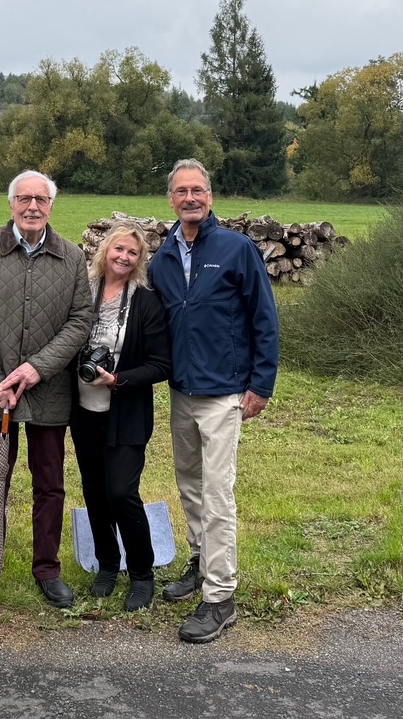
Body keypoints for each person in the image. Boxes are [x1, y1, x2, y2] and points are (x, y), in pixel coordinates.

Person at [147, 158, 279, 644]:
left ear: (211, 195)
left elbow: (264, 319)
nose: (190, 198)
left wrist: (260, 384)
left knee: (219, 493)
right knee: (190, 484)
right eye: (181, 191)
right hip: (181, 391)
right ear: (171, 200)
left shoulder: (236, 249)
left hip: (225, 392)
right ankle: (201, 562)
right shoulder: (162, 257)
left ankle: (220, 596)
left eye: (197, 190)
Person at [0, 170, 94, 612]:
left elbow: (79, 321)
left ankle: (47, 569)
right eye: (24, 198)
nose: (32, 206)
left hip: (49, 392)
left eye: (41, 199)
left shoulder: (72, 258)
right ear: (11, 203)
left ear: (51, 205)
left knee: (50, 484)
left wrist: (35, 369)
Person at [70, 224, 173, 612]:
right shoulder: (85, 290)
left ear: (139, 259)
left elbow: (162, 363)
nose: (124, 257)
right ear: (105, 250)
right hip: (83, 412)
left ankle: (142, 572)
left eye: (132, 252)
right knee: (95, 492)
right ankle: (108, 564)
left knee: (121, 493)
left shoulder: (146, 301)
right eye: (119, 249)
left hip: (126, 413)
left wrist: (120, 379)